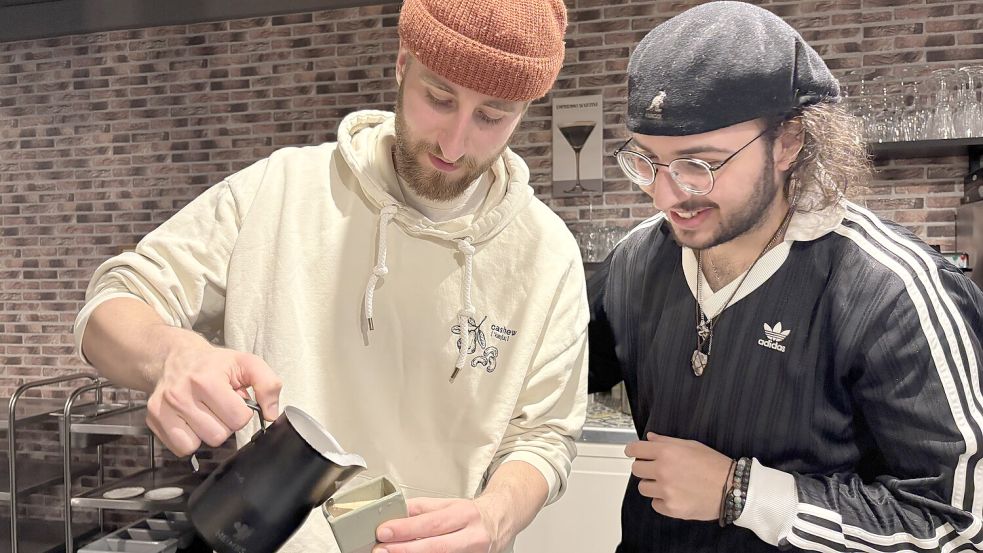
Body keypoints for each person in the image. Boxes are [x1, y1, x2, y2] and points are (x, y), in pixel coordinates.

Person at [73, 0, 589, 551]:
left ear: (523, 112)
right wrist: (172, 355)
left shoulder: (546, 253)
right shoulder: (281, 190)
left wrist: (498, 515)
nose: (453, 143)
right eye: (439, 98)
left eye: (492, 116)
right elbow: (115, 301)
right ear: (402, 63)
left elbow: (545, 434)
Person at [587, 2, 983, 552]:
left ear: (789, 142)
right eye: (648, 162)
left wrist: (743, 494)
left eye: (700, 163)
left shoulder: (892, 290)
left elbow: (956, 525)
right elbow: (558, 371)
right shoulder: (637, 259)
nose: (667, 195)